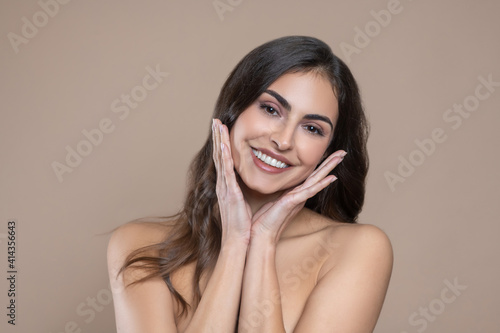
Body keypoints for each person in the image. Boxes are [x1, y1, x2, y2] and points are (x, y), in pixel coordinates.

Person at [107, 35, 393, 333]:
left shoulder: (356, 249)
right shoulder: (141, 246)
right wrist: (235, 244)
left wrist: (264, 242)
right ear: (234, 109)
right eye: (271, 109)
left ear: (328, 152)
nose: (283, 141)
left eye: (311, 128)